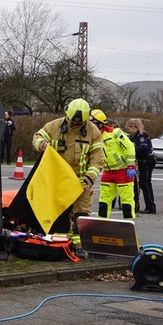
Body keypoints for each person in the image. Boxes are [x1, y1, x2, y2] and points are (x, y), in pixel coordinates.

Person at [31, 98, 104, 258]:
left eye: (80, 122)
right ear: (67, 115)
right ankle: (59, 245)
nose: (76, 124)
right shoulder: (54, 126)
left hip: (81, 182)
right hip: (58, 181)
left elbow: (97, 158)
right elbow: (36, 138)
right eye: (72, 121)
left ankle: (80, 246)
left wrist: (90, 178)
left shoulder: (93, 132)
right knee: (59, 213)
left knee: (81, 215)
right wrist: (42, 144)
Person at [89, 110, 136, 219]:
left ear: (100, 124)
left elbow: (130, 147)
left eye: (93, 124)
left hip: (123, 171)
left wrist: (131, 166)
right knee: (104, 200)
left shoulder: (115, 133)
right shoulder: (93, 138)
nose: (90, 126)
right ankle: (102, 222)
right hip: (108, 172)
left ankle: (128, 224)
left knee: (126, 200)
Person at [127, 118, 156, 214]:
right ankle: (148, 206)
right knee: (144, 184)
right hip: (142, 161)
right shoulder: (134, 136)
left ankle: (150, 207)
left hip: (147, 161)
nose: (128, 130)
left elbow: (143, 147)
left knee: (146, 184)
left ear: (133, 127)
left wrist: (131, 150)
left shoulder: (142, 135)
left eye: (129, 128)